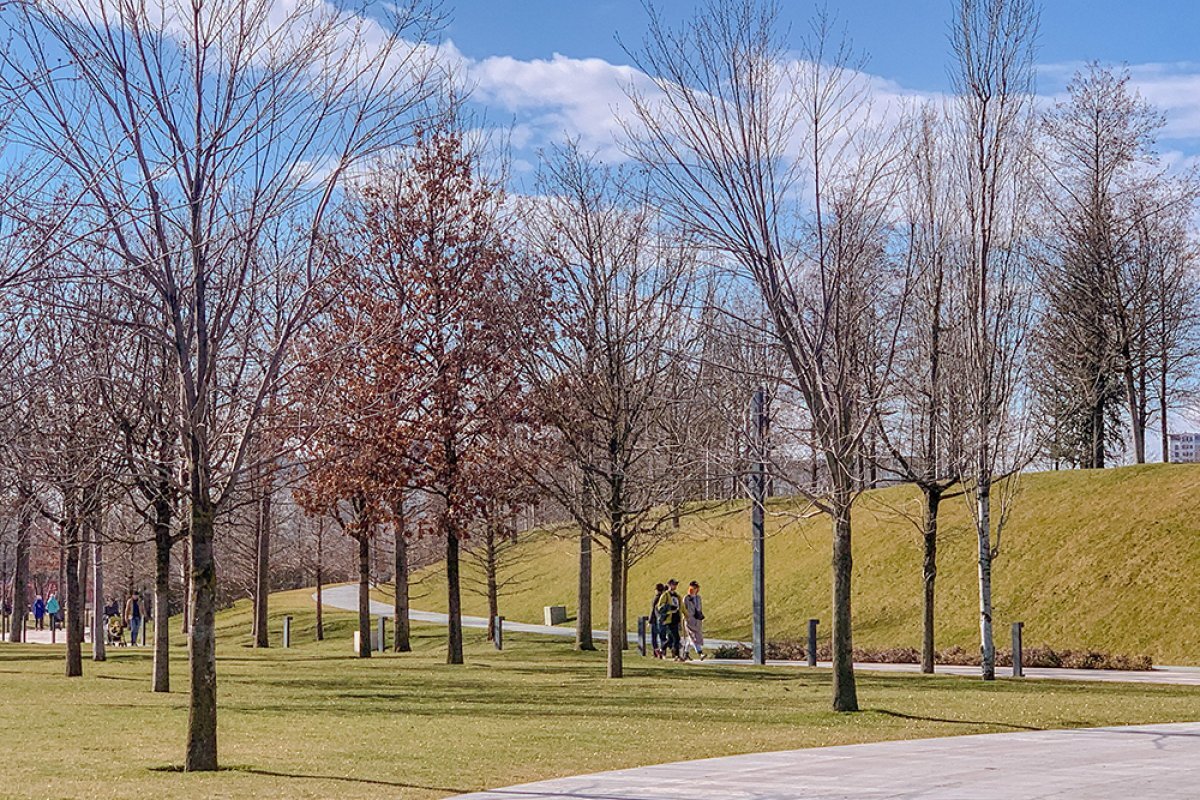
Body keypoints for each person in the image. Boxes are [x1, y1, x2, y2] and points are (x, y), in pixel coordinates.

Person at [656, 579, 682, 660]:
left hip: (676, 618)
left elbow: (682, 607)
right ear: (669, 585)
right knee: (676, 638)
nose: (675, 586)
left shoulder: (677, 596)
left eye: (676, 584)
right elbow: (660, 607)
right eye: (673, 584)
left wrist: (687, 616)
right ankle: (677, 655)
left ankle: (661, 649)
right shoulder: (665, 595)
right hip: (668, 619)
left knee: (672, 638)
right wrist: (670, 610)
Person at [683, 580, 705, 661]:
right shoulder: (686, 598)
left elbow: (700, 608)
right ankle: (700, 653)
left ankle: (686, 653)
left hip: (697, 621)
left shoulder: (698, 598)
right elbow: (683, 609)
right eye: (694, 588)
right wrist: (686, 617)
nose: (695, 589)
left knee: (691, 638)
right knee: (693, 637)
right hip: (689, 621)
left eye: (696, 588)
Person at [649, 583, 667, 658]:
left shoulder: (656, 598)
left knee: (654, 638)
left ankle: (656, 652)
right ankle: (663, 651)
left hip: (655, 620)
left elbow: (653, 610)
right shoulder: (664, 598)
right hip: (662, 620)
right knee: (662, 637)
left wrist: (650, 620)